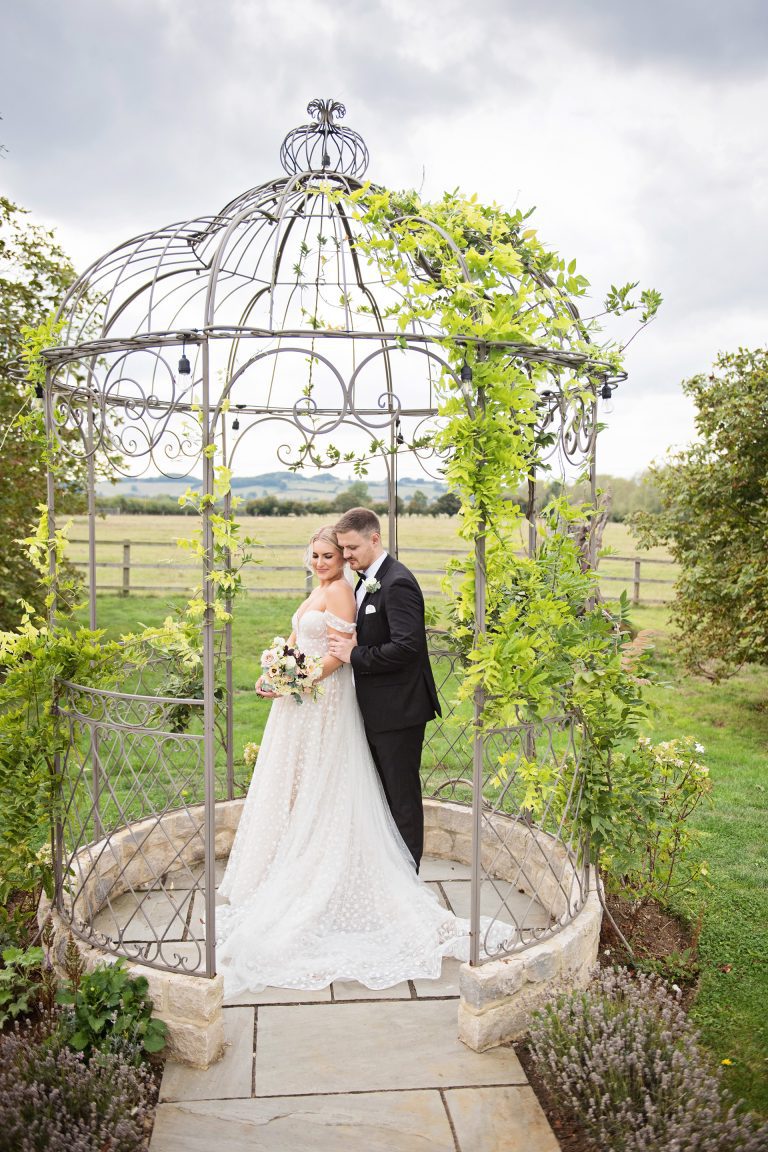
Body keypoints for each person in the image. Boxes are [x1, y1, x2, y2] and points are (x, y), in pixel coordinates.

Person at [215, 525, 503, 998]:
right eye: (321, 553)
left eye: (337, 552)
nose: (328, 560)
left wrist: (301, 679)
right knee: (307, 787)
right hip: (307, 705)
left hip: (344, 702)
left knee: (385, 793)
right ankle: (296, 867)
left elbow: (356, 652)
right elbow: (302, 639)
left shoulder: (383, 584)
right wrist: (276, 672)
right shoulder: (329, 586)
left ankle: (396, 885)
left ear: (368, 541)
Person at [329, 507, 440, 871]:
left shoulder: (398, 582)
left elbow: (408, 648)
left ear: (374, 539)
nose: (346, 556)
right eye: (342, 549)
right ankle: (388, 871)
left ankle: (408, 874)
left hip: (399, 711)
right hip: (377, 709)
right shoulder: (366, 581)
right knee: (383, 795)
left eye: (352, 548)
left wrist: (355, 654)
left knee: (401, 796)